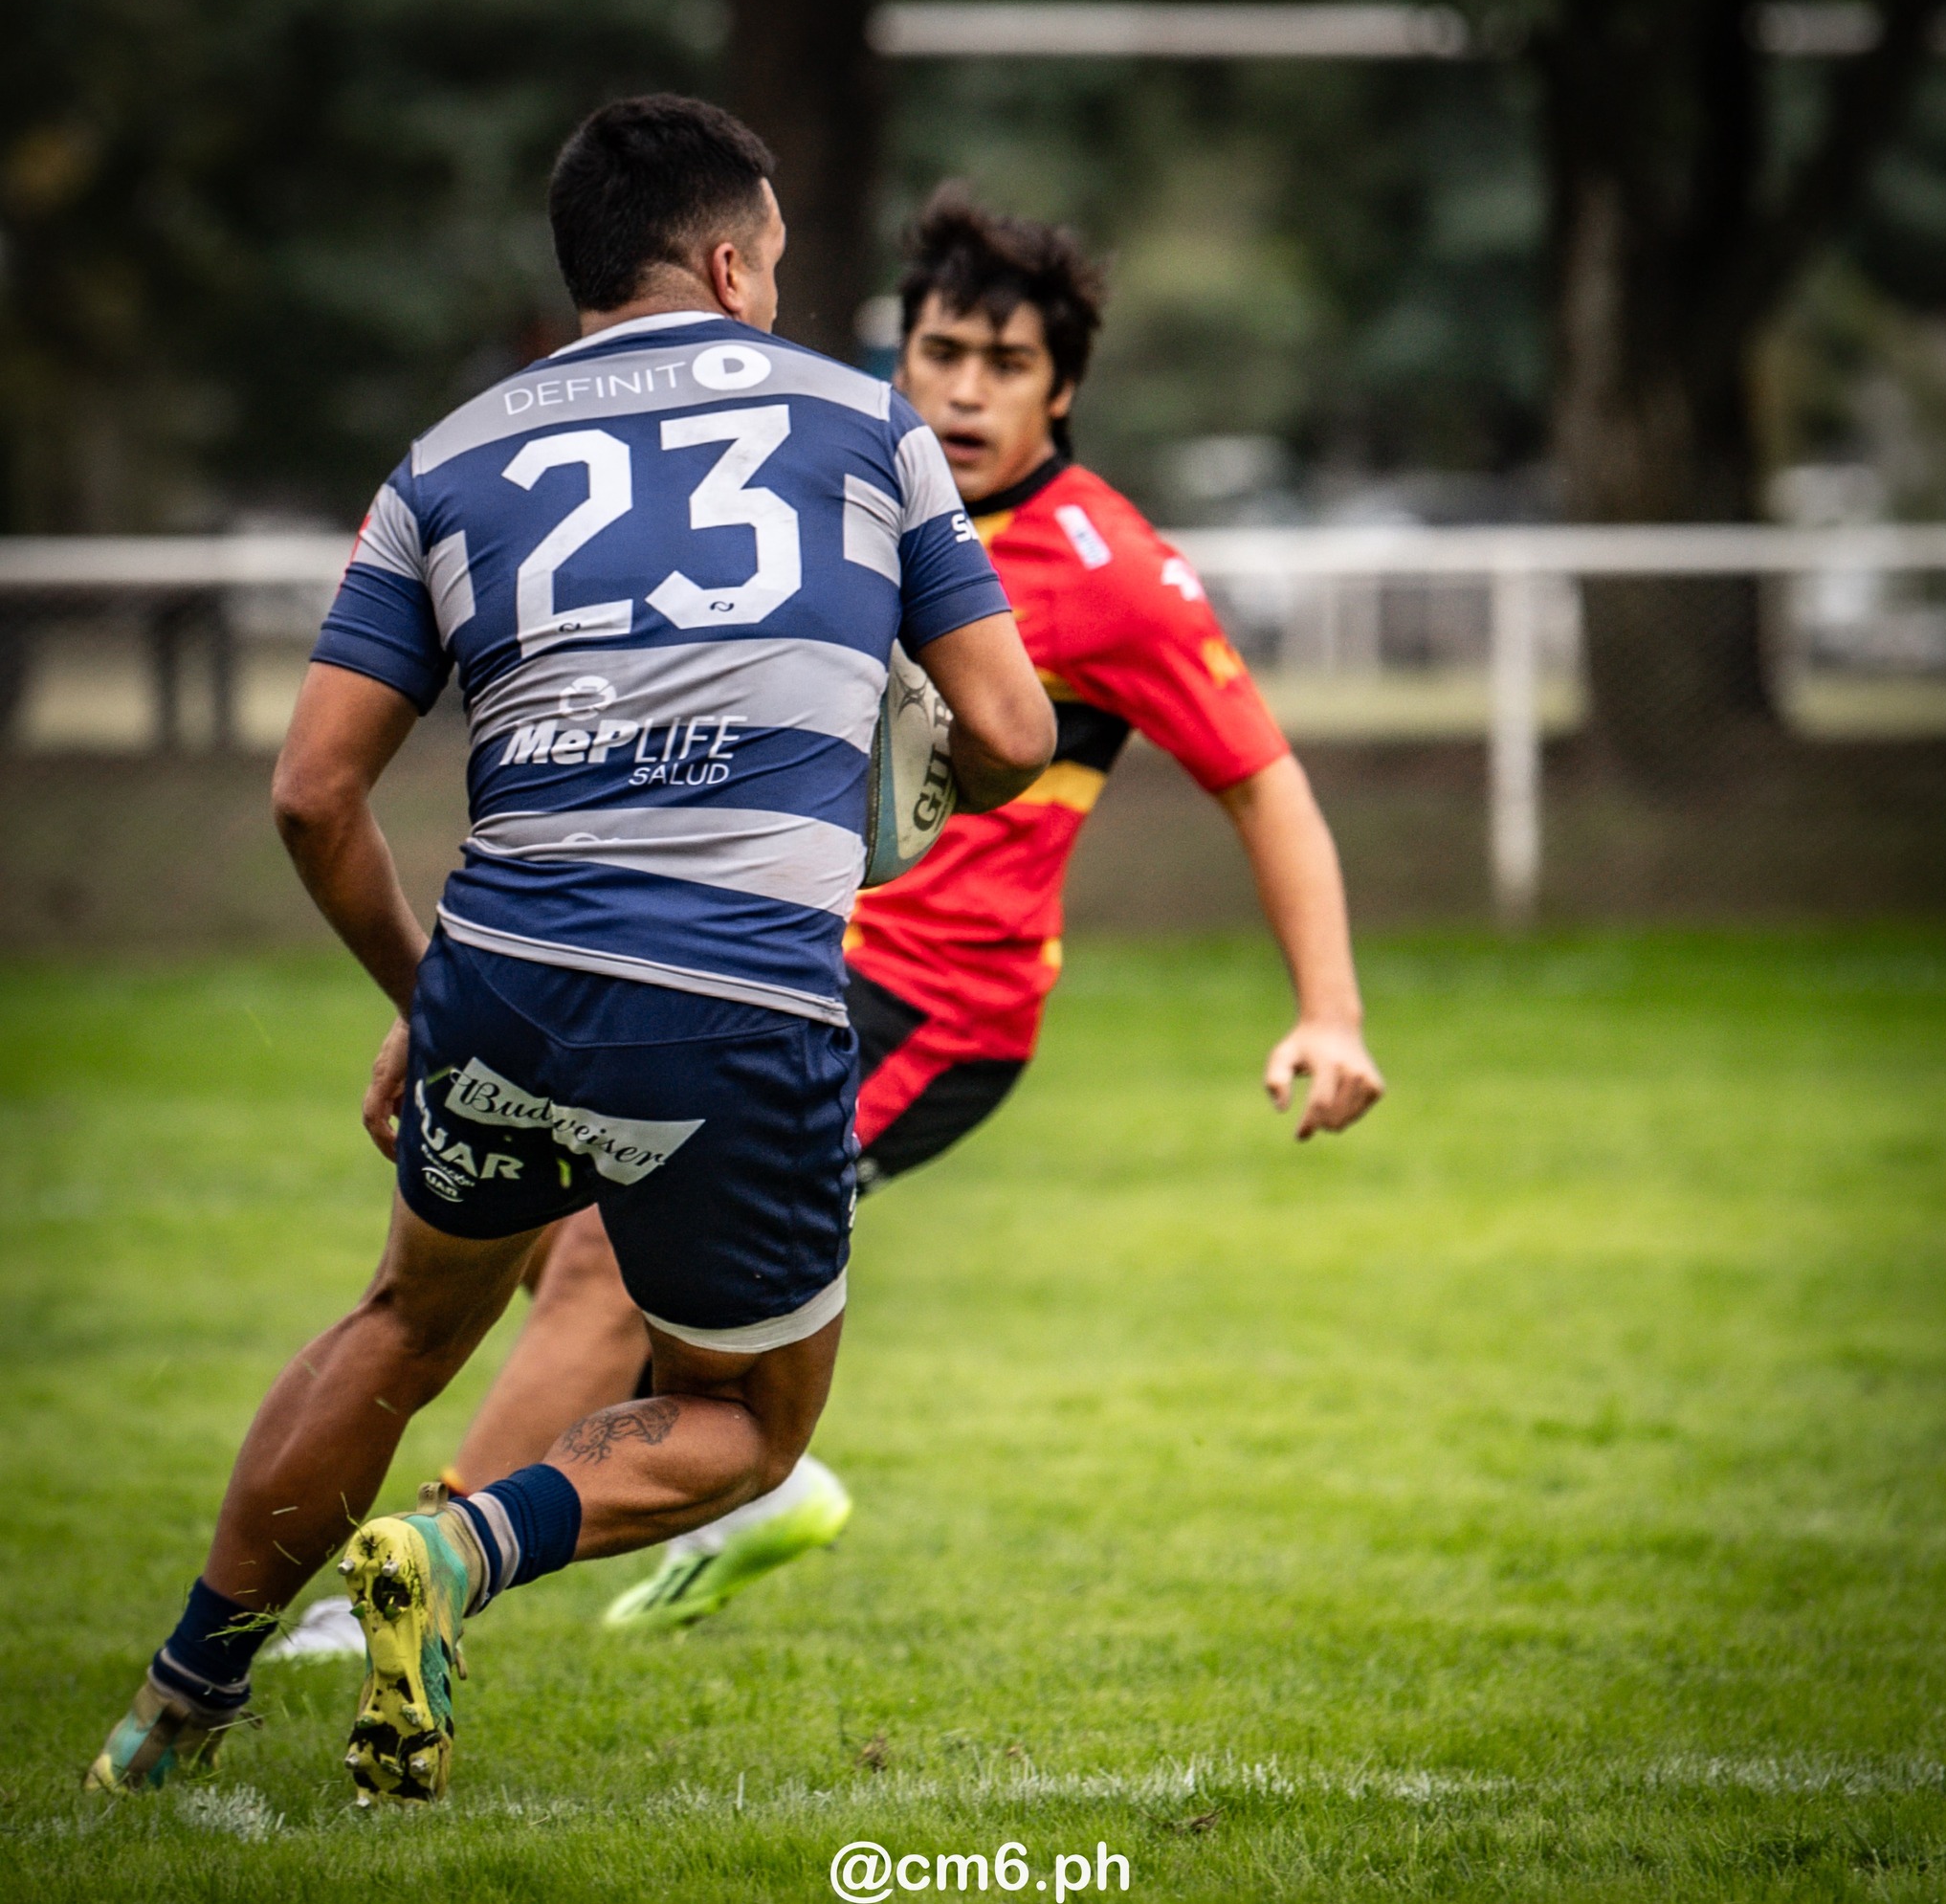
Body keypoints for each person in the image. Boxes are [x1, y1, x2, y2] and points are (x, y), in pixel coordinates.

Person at [84, 97, 1053, 1804]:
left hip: (500, 969)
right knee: (749, 1425)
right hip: (742, 989)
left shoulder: (446, 459)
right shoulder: (862, 423)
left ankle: (168, 1712)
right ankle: (457, 1555)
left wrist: (427, 1001)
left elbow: (314, 797)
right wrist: (902, 749)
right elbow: (1012, 723)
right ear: (735, 258)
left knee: (401, 1318)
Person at [358, 187, 1385, 1645]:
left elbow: (1265, 782)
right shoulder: (823, 487)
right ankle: (745, 1476)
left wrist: (1330, 1010)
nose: (964, 389)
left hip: (934, 1001)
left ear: (1065, 387)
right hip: (745, 946)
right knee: (577, 1195)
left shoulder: (1111, 572)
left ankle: (419, 1578)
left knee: (592, 1249)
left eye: (1007, 363)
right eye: (943, 350)